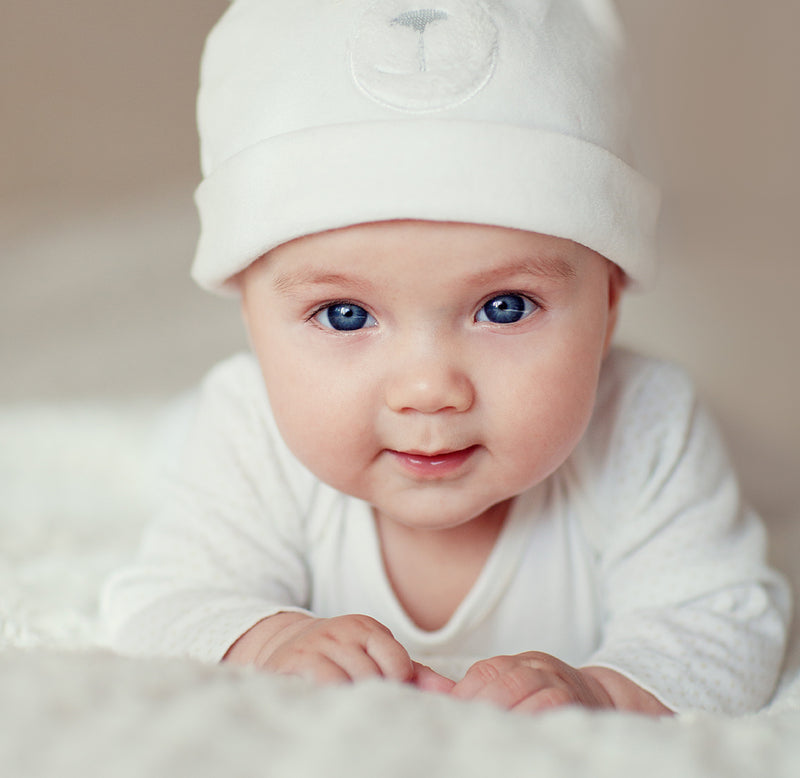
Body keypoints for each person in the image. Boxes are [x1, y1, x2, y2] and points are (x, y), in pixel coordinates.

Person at [101, 0, 790, 716]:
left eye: (505, 307)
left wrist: (604, 690)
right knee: (177, 448)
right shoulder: (248, 431)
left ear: (611, 302)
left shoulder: (646, 426)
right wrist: (270, 640)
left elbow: (722, 620)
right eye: (345, 315)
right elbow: (162, 605)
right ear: (249, 315)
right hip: (216, 447)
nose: (428, 389)